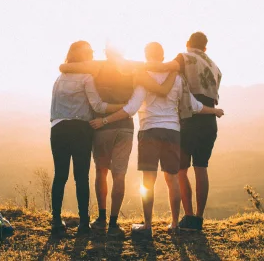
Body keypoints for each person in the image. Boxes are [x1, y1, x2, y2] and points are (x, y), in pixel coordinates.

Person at [89, 42, 224, 238]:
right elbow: (194, 105)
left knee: (148, 181)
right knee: (172, 179)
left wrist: (105, 120)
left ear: (146, 55)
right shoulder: (177, 78)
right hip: (173, 132)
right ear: (163, 57)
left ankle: (148, 226)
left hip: (149, 131)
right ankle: (175, 224)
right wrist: (214, 111)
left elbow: (131, 108)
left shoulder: (143, 77)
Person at [59, 47, 177, 236]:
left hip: (102, 126)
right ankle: (114, 224)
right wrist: (174, 65)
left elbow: (65, 67)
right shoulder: (133, 68)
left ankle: (101, 219)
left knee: (101, 172)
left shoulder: (96, 67)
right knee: (119, 175)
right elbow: (157, 68)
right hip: (125, 127)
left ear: (106, 53)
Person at [145, 32, 223, 231]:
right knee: (201, 168)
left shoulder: (184, 57)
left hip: (189, 118)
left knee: (181, 170)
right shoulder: (215, 67)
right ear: (205, 48)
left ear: (188, 44)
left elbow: (164, 68)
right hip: (209, 120)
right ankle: (198, 218)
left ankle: (187, 217)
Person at [50, 41, 124, 236]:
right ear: (83, 56)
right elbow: (98, 106)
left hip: (58, 129)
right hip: (81, 130)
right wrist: (122, 107)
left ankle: (56, 221)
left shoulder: (59, 78)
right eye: (90, 52)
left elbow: (54, 108)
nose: (92, 55)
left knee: (60, 176)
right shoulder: (86, 77)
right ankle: (83, 223)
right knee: (81, 177)